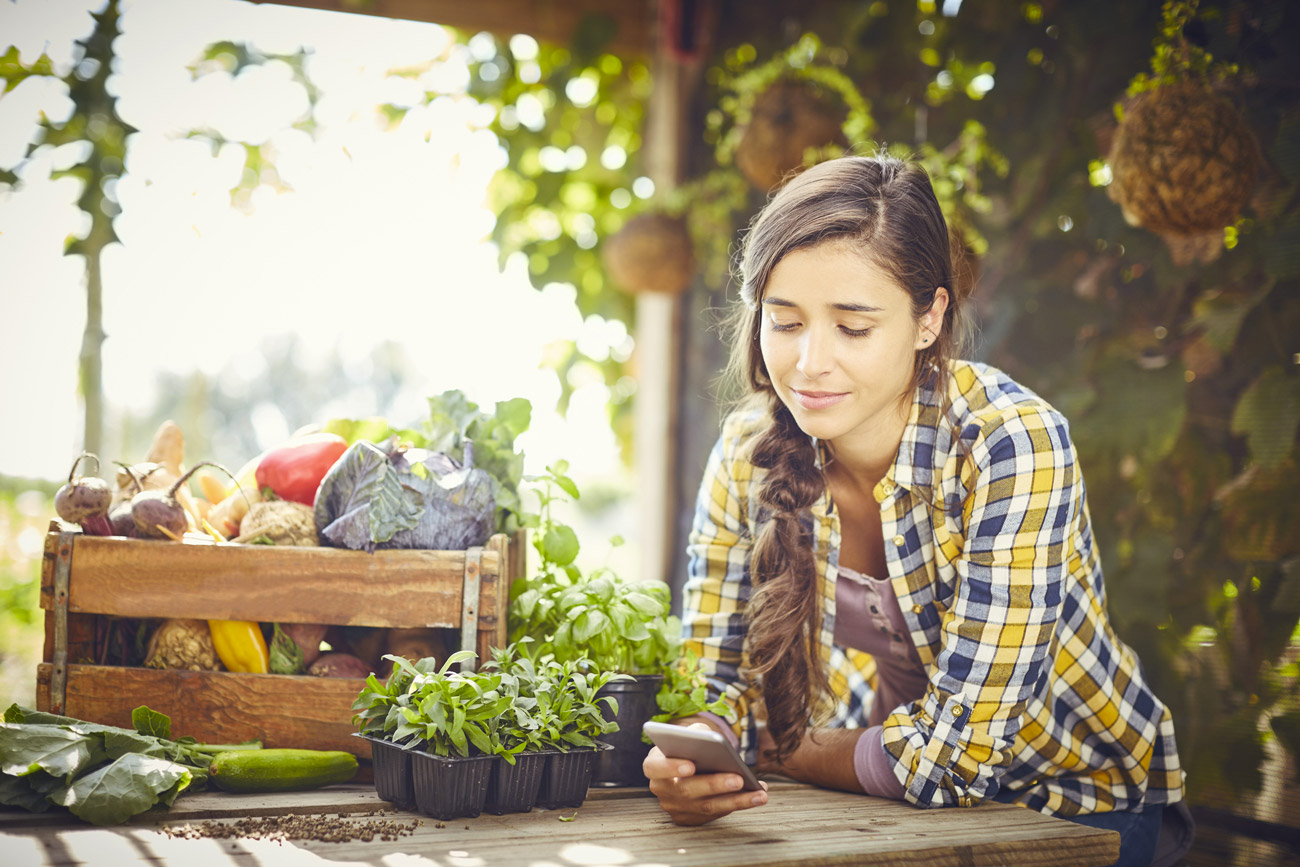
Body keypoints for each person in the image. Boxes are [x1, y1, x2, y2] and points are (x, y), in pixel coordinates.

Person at [643, 155, 1194, 867]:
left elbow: (958, 756)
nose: (809, 362)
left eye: (853, 326)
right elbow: (715, 681)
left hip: (1073, 801)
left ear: (929, 317)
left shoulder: (1009, 443)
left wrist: (796, 750)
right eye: (785, 322)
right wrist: (696, 756)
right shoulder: (750, 449)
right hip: (880, 797)